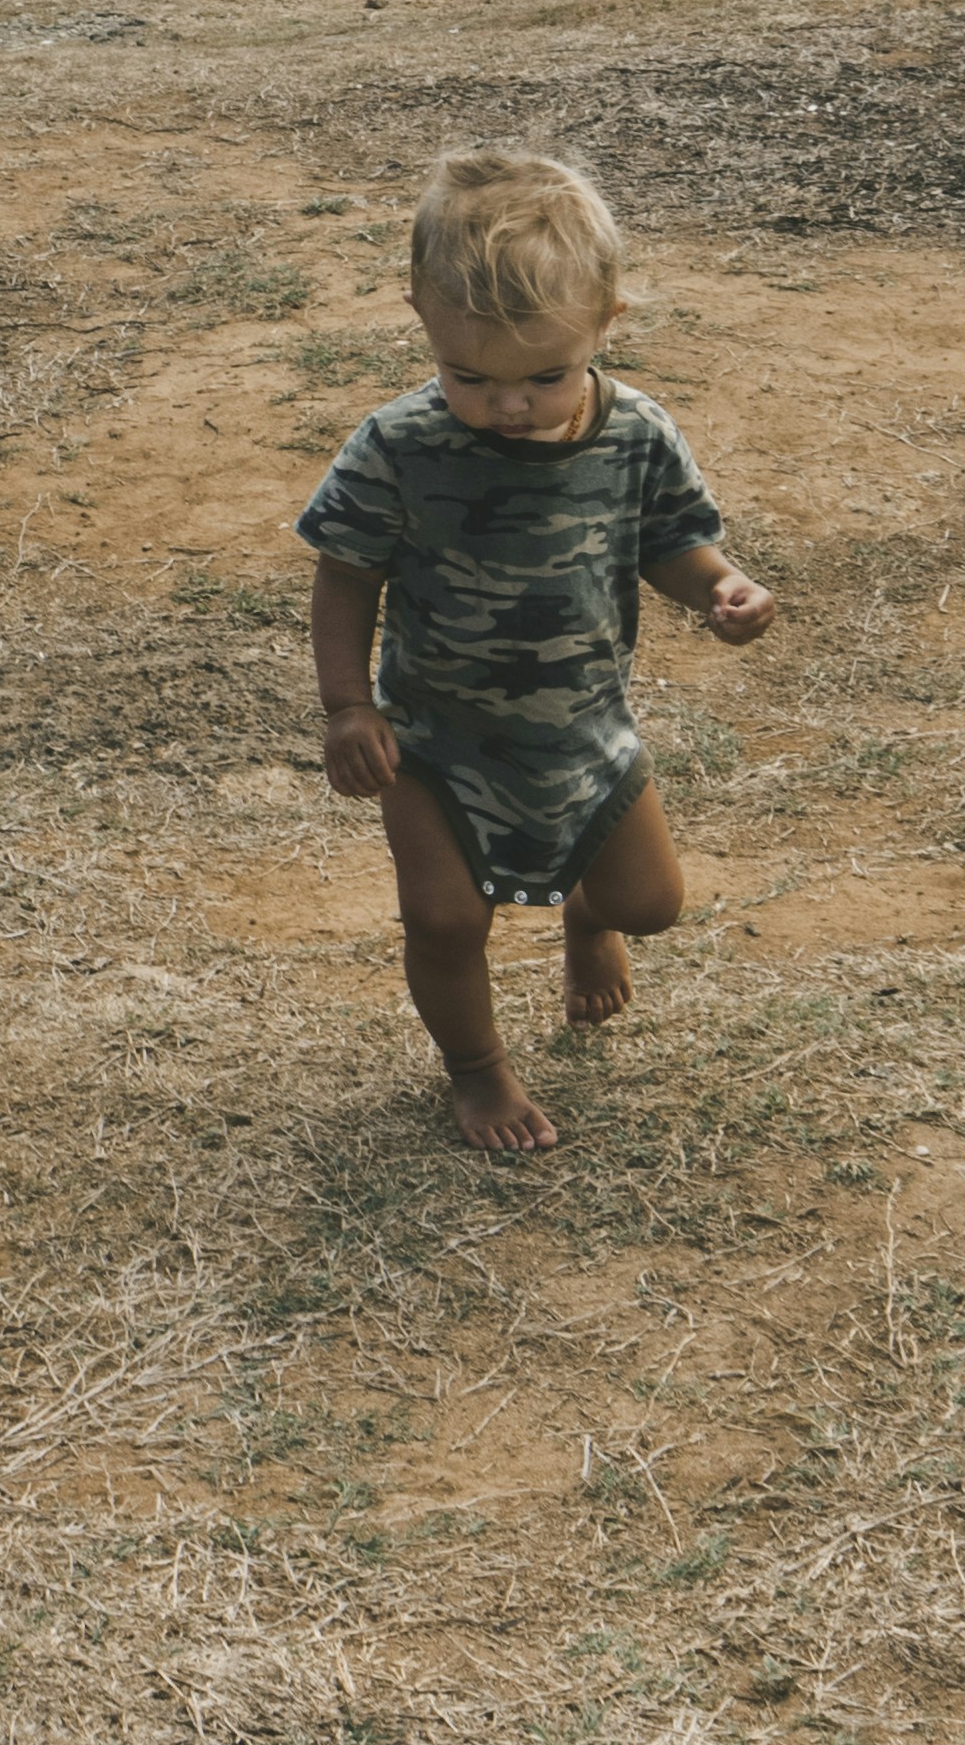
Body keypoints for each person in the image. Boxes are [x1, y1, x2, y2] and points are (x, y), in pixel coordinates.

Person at [300, 147, 775, 1156]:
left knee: (651, 906)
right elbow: (345, 572)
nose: (508, 404)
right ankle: (476, 1070)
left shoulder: (636, 432)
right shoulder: (398, 448)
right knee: (442, 918)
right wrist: (349, 704)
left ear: (606, 322)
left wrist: (721, 587)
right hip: (437, 741)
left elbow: (671, 544)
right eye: (470, 375)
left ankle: (583, 915)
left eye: (542, 376)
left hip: (584, 731)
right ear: (421, 315)